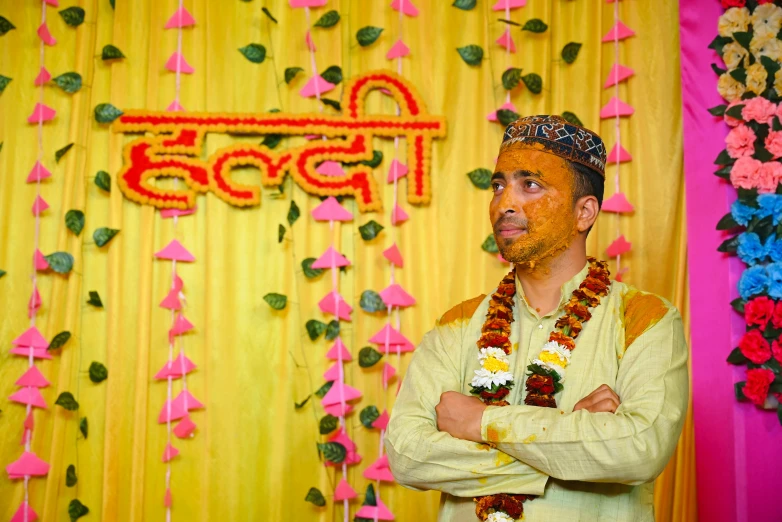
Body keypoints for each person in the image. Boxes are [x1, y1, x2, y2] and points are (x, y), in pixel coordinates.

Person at [385, 115, 689, 522]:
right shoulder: (457, 325)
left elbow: (638, 450)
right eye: (498, 186)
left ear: (585, 212)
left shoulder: (645, 319)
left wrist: (481, 422)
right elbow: (407, 454)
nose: (504, 203)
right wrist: (572, 443)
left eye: (530, 184)